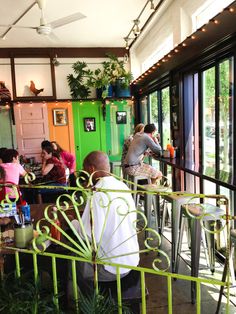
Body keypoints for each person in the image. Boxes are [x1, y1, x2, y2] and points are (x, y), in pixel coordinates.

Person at [68, 151, 139, 294]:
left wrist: (73, 222)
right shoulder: (122, 186)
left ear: (91, 169)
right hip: (131, 259)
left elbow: (88, 237)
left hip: (112, 269)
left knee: (71, 263)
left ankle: (91, 303)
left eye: (84, 168)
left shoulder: (98, 193)